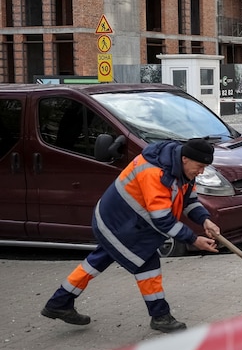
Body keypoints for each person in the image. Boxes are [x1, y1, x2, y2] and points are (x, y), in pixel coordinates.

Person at [41, 138, 221, 332]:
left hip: (125, 221)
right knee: (147, 262)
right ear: (185, 158)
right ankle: (160, 316)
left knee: (98, 260)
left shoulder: (181, 167)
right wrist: (194, 240)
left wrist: (205, 220)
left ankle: (59, 302)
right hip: (120, 223)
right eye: (200, 166)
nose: (201, 171)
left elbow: (189, 200)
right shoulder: (156, 173)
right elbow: (163, 219)